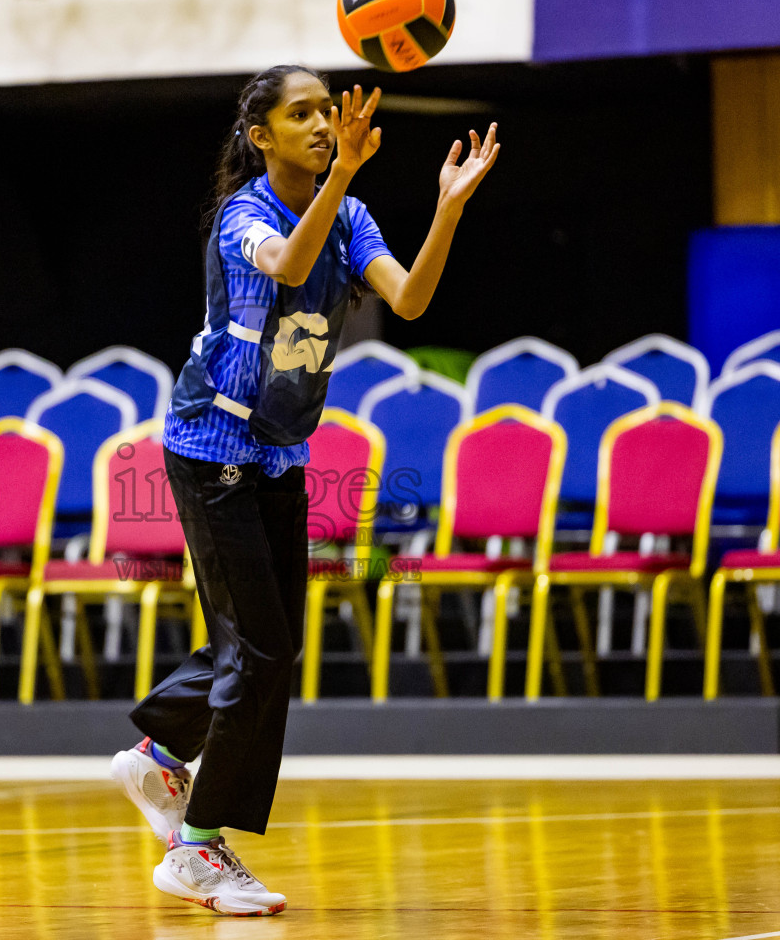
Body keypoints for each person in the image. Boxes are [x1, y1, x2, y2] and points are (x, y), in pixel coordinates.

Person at [108, 65, 500, 915]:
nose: (323, 124)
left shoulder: (350, 214)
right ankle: (198, 849)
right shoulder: (244, 216)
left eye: (330, 109)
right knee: (261, 651)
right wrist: (349, 172)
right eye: (302, 114)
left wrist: (448, 209)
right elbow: (289, 267)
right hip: (212, 447)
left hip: (281, 452)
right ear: (261, 137)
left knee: (266, 643)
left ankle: (158, 755)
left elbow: (413, 298)